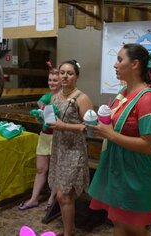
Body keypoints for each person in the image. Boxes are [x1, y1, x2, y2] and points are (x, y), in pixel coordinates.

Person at [88, 43, 151, 236]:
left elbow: (148, 146)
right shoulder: (122, 95)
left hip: (135, 175)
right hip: (118, 172)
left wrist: (110, 134)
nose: (115, 65)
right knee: (119, 224)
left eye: (120, 60)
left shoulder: (148, 99)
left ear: (135, 64)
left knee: (134, 228)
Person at [47, 60, 94, 236]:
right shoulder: (55, 96)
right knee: (60, 193)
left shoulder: (82, 98)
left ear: (76, 76)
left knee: (64, 195)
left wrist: (63, 126)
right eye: (62, 72)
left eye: (69, 73)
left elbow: (90, 128)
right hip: (59, 148)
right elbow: (53, 121)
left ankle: (68, 233)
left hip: (74, 151)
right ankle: (70, 230)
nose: (64, 76)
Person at [18, 64, 60, 211]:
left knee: (55, 170)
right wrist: (39, 116)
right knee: (41, 169)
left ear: (61, 81)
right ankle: (34, 199)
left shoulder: (64, 100)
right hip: (44, 136)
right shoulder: (44, 99)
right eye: (50, 80)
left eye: (55, 80)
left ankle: (51, 200)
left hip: (58, 138)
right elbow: (40, 121)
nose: (52, 83)